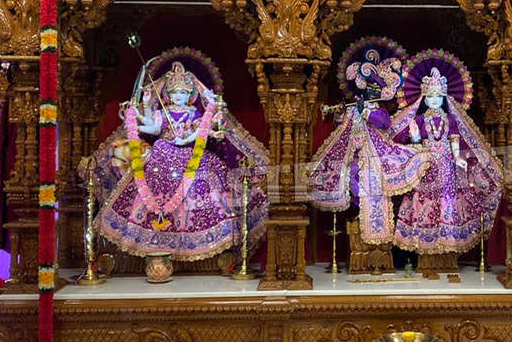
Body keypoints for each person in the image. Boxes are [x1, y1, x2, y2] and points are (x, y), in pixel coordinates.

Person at [96, 60, 268, 263]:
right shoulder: (163, 112)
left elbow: (201, 131)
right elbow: (153, 128)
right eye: (175, 92)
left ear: (190, 96)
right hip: (163, 152)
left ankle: (200, 240)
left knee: (202, 182)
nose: (179, 96)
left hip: (191, 154)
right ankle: (154, 237)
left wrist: (185, 140)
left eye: (183, 92)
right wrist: (136, 119)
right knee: (153, 172)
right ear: (168, 94)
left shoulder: (194, 113)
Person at [307, 40, 427, 244]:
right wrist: (342, 114)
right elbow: (342, 129)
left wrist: (365, 112)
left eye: (375, 88)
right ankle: (358, 220)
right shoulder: (353, 109)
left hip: (375, 160)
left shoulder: (379, 111)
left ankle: (375, 235)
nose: (371, 92)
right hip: (355, 159)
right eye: (369, 88)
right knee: (353, 187)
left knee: (374, 190)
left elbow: (384, 123)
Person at [390, 52, 503, 263]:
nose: (434, 100)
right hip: (426, 164)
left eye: (438, 96)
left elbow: (454, 139)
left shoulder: (450, 118)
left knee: (447, 199)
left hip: (446, 164)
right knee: (423, 198)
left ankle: (446, 242)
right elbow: (415, 142)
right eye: (430, 96)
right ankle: (423, 244)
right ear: (424, 98)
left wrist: (457, 157)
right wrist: (415, 136)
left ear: (444, 98)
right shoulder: (420, 119)